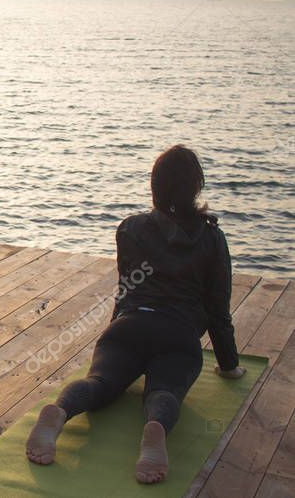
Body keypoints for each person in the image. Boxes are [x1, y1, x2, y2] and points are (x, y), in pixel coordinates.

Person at [25, 145, 245, 484]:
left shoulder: (130, 228)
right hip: (177, 335)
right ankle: (155, 427)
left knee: (98, 382)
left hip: (128, 326)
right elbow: (218, 312)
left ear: (154, 186)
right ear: (194, 188)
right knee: (163, 391)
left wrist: (117, 329)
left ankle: (60, 411)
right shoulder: (212, 239)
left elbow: (125, 288)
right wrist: (228, 365)